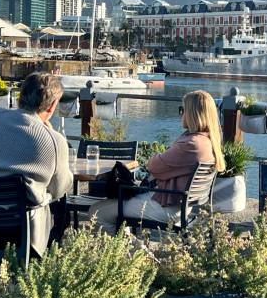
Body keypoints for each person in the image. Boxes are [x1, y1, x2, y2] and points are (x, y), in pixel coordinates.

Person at [90, 90, 225, 234]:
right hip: (181, 206)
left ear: (192, 114)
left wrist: (158, 158)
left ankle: (126, 251)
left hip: (165, 207)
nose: (181, 114)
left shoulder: (191, 144)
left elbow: (153, 166)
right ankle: (130, 247)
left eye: (182, 110)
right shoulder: (208, 141)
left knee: (96, 212)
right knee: (114, 207)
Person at [0, 72, 73, 256]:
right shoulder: (53, 141)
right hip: (22, 230)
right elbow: (60, 189)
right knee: (58, 206)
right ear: (53, 105)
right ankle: (45, 266)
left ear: (20, 96)